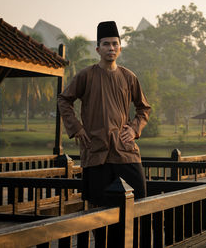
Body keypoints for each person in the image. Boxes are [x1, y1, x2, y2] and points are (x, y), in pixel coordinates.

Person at [57, 21, 151, 207]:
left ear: (120, 49)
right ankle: (102, 238)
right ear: (98, 49)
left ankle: (131, 238)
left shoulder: (128, 77)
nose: (111, 48)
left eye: (115, 44)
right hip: (96, 149)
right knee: (97, 209)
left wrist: (133, 130)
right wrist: (77, 128)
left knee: (139, 200)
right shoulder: (86, 75)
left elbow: (144, 108)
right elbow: (64, 100)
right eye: (106, 44)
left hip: (125, 150)